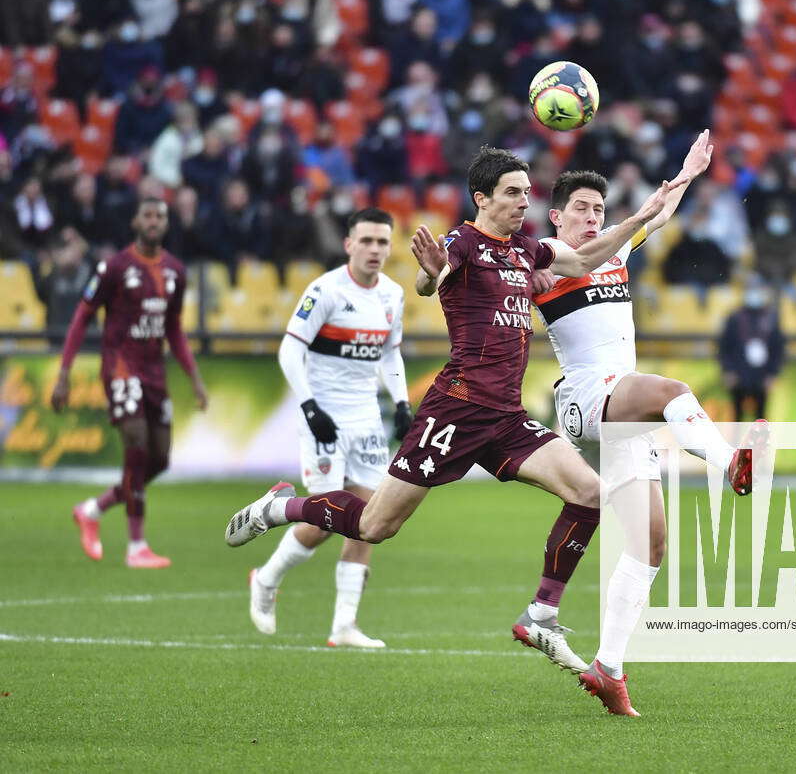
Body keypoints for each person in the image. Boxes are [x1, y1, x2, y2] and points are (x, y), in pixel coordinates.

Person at [225, 145, 678, 691]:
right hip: (456, 412)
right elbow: (432, 279)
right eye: (511, 192)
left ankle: (540, 615)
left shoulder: (525, 251)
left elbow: (582, 260)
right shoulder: (465, 241)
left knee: (590, 493)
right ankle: (280, 507)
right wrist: (432, 273)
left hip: (505, 418)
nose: (522, 201)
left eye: (526, 191)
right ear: (482, 198)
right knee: (375, 525)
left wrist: (641, 216)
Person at [527, 131, 765, 716]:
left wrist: (687, 174)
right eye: (580, 207)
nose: (590, 216)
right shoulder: (543, 260)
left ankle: (609, 668)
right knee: (674, 391)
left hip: (621, 409)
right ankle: (727, 459)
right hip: (587, 397)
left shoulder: (613, 252)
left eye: (598, 209)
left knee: (650, 543)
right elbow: (502, 285)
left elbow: (656, 215)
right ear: (556, 215)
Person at [247, 208, 413, 648]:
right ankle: (265, 578)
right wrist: (309, 406)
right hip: (324, 416)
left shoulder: (393, 295)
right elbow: (289, 350)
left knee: (370, 516)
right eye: (367, 241)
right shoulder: (325, 290)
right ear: (349, 244)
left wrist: (400, 401)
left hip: (367, 418)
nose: (375, 249)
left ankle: (344, 625)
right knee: (324, 520)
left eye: (382, 242)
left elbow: (390, 354)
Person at [52, 197, 208, 568]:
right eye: (147, 215)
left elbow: (174, 329)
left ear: (166, 225)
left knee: (159, 459)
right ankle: (136, 545)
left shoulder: (175, 271)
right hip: (121, 367)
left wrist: (195, 379)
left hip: (154, 372)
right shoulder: (114, 267)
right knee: (136, 443)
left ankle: (92, 508)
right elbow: (81, 317)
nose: (153, 222)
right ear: (135, 222)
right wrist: (63, 372)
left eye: (160, 217)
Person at [718, 275, 786, 421]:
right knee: (736, 417)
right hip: (738, 375)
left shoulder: (771, 317)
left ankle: (759, 445)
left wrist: (773, 374)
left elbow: (778, 349)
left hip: (762, 376)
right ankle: (735, 444)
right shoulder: (734, 317)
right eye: (750, 289)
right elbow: (724, 347)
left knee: (761, 418)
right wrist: (728, 371)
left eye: (757, 289)